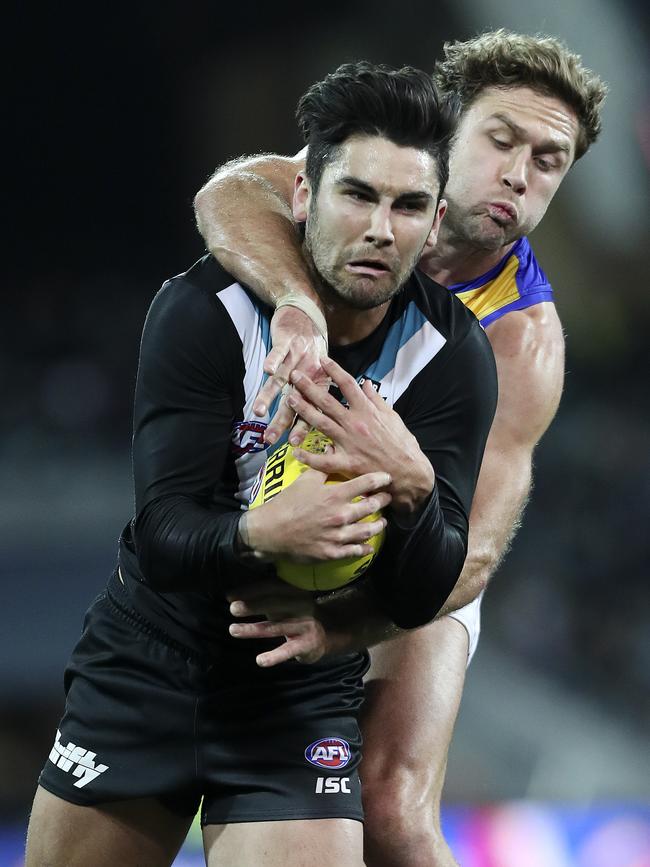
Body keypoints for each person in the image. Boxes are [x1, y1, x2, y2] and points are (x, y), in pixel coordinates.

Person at [26, 62, 498, 867]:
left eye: (409, 205)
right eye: (358, 195)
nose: (382, 227)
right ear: (306, 196)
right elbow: (166, 534)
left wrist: (416, 487)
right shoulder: (205, 312)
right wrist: (261, 532)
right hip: (150, 660)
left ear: (435, 220)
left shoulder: (450, 358)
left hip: (297, 689)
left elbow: (427, 589)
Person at [193, 30, 607, 866]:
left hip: (421, 546)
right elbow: (230, 191)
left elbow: (474, 552)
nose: (521, 174)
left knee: (389, 812)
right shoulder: (357, 187)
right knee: (195, 760)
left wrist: (341, 627)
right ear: (448, 131)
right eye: (501, 140)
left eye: (549, 159)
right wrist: (295, 304)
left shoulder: (522, 342)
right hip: (271, 497)